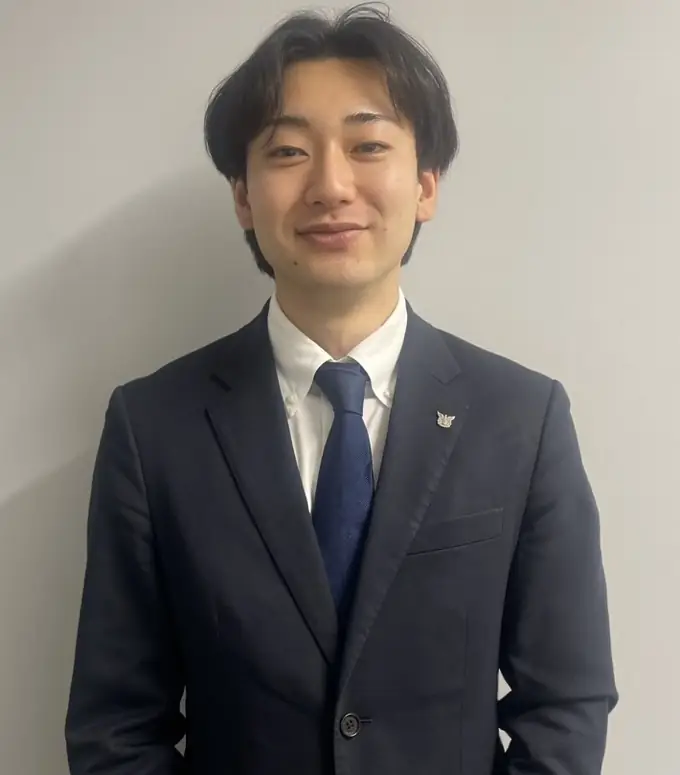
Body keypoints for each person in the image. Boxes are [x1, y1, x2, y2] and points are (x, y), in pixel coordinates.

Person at [65, 4, 618, 774]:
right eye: (289, 151)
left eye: (368, 145)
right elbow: (117, 726)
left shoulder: (523, 419)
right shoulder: (153, 426)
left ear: (426, 184)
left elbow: (565, 703)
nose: (330, 184)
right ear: (243, 195)